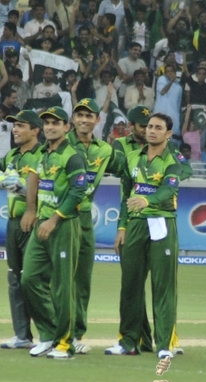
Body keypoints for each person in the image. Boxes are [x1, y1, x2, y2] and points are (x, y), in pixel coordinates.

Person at [105, 112, 182, 359]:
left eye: (158, 127)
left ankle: (164, 345)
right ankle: (128, 341)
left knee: (163, 286)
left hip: (162, 223)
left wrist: (147, 199)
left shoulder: (173, 160)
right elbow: (126, 195)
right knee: (130, 285)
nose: (151, 131)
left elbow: (168, 189)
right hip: (136, 225)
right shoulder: (132, 158)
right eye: (149, 126)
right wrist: (122, 227)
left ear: (168, 134)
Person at [22, 106, 87, 360]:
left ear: (66, 127)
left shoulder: (72, 156)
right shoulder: (43, 153)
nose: (50, 127)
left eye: (55, 123)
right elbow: (35, 180)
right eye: (47, 123)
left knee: (62, 286)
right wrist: (32, 210)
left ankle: (65, 342)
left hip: (63, 225)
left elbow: (77, 192)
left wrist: (54, 219)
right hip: (42, 222)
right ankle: (48, 334)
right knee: (29, 279)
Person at [67, 98, 125, 354]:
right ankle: (53, 332)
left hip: (84, 219)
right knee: (55, 278)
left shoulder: (104, 150)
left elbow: (130, 170)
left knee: (82, 280)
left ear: (97, 121)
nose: (84, 120)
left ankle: (76, 334)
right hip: (59, 216)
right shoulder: (60, 144)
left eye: (89, 116)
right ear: (73, 119)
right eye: (80, 115)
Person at [0, 110, 42, 350]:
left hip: (34, 221)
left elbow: (52, 189)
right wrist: (2, 181)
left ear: (35, 130)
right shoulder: (12, 155)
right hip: (12, 222)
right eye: (15, 126)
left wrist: (25, 190)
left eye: (21, 126)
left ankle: (49, 335)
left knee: (35, 278)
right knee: (15, 276)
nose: (15, 130)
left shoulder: (42, 155)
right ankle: (22, 334)